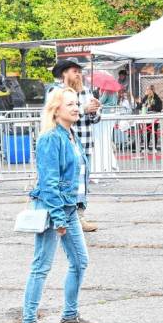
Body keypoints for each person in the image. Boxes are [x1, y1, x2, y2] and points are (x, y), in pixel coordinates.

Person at [19, 87, 97, 323]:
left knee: (80, 261)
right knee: (41, 265)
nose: (76, 108)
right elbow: (49, 182)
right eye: (70, 104)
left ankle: (70, 315)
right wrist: (59, 218)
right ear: (56, 109)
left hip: (68, 206)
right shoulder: (51, 138)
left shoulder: (70, 134)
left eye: (77, 103)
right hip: (53, 208)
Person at [48, 59, 101, 232]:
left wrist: (94, 111)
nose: (78, 74)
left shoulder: (86, 91)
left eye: (80, 71)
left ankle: (80, 217)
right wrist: (83, 109)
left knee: (82, 183)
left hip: (84, 144)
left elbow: (96, 119)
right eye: (74, 71)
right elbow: (52, 115)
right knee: (64, 181)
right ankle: (61, 217)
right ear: (64, 73)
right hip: (63, 144)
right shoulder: (55, 91)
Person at [138, 85, 163, 152]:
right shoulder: (145, 97)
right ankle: (146, 147)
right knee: (146, 132)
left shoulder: (156, 97)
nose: (147, 91)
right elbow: (140, 106)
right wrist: (142, 104)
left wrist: (151, 107)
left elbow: (160, 107)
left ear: (152, 90)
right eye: (146, 89)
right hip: (147, 117)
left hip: (154, 118)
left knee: (154, 132)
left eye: (148, 89)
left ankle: (154, 147)